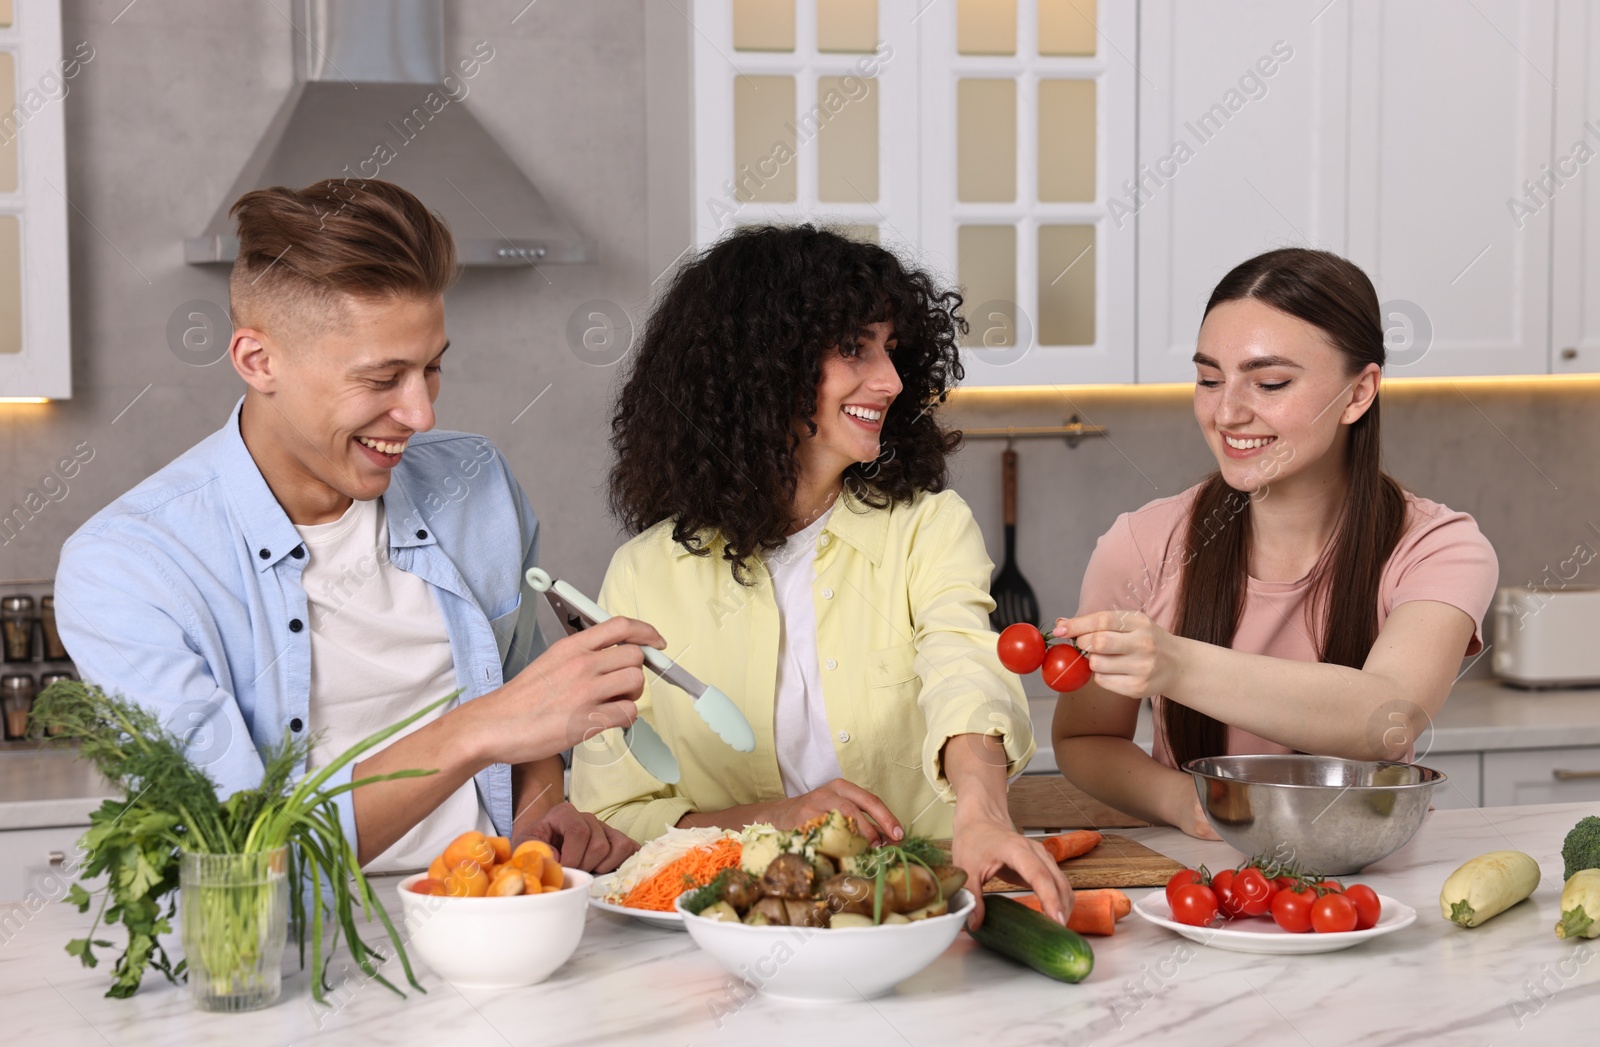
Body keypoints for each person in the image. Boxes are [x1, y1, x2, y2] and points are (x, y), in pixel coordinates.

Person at [55, 178, 660, 873]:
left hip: (491, 919)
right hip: (294, 955)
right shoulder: (128, 565)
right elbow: (236, 854)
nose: (420, 413)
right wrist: (478, 729)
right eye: (382, 379)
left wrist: (541, 825)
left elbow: (528, 733)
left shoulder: (477, 485)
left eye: (432, 368)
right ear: (258, 361)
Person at [571, 224, 1073, 923]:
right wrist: (783, 818)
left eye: (892, 350)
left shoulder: (927, 527)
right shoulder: (643, 574)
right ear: (761, 366)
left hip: (912, 918)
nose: (892, 380)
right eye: (853, 349)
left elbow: (964, 665)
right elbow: (618, 811)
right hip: (721, 939)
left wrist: (982, 812)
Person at [1052, 248, 1498, 838]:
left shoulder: (1438, 548)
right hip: (1198, 883)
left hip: (1366, 876)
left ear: (1359, 394)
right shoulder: (1141, 545)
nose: (1228, 412)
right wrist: (1182, 801)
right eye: (1210, 379)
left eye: (1269, 382)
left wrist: (1174, 663)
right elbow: (1086, 737)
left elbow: (1387, 717)